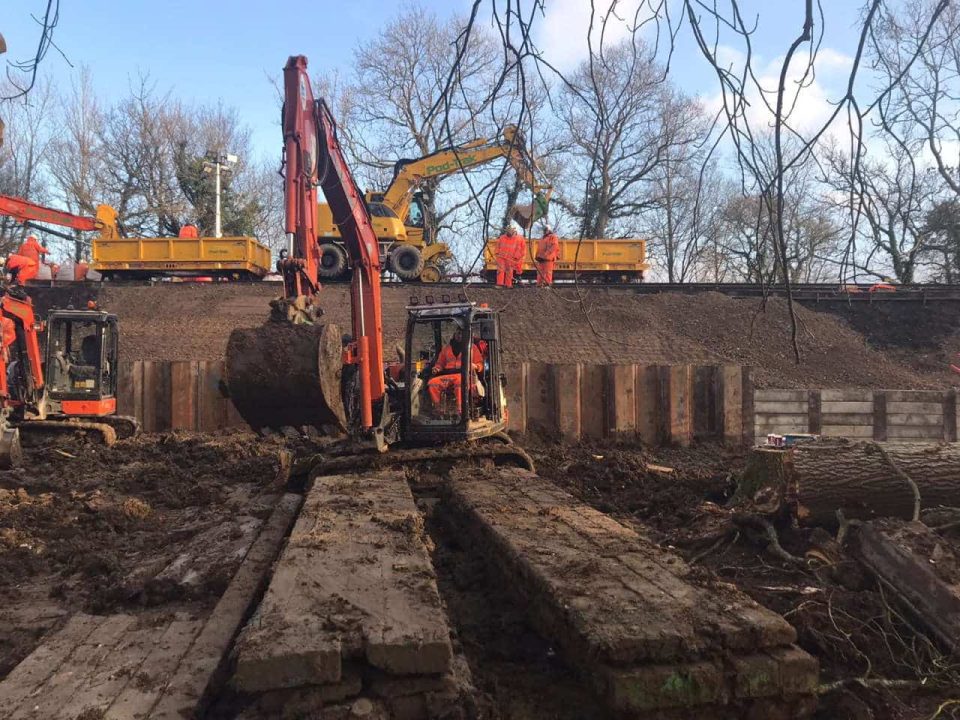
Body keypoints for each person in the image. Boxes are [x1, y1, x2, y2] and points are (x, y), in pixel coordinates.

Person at [427, 327, 483, 413]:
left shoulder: (472, 348)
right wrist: (437, 368)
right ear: (454, 334)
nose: (460, 336)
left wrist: (475, 366)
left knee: (460, 384)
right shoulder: (447, 348)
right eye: (458, 333)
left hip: (464, 375)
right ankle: (439, 409)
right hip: (447, 375)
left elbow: (480, 364)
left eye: (462, 334)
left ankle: (460, 411)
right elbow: (440, 363)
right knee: (432, 383)